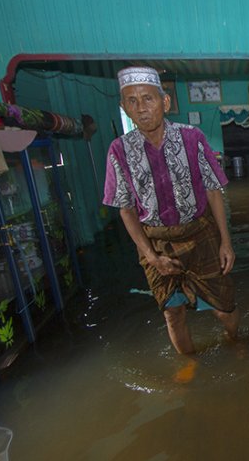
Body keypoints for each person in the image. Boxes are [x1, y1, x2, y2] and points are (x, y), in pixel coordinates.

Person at [103, 66, 238, 357]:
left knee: (223, 306)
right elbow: (126, 209)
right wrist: (152, 257)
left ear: (164, 102)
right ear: (123, 107)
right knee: (172, 312)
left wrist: (226, 241)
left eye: (148, 99)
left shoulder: (192, 138)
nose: (141, 108)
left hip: (200, 234)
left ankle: (236, 342)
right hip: (154, 242)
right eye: (132, 101)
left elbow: (214, 190)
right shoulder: (119, 150)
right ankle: (189, 364)